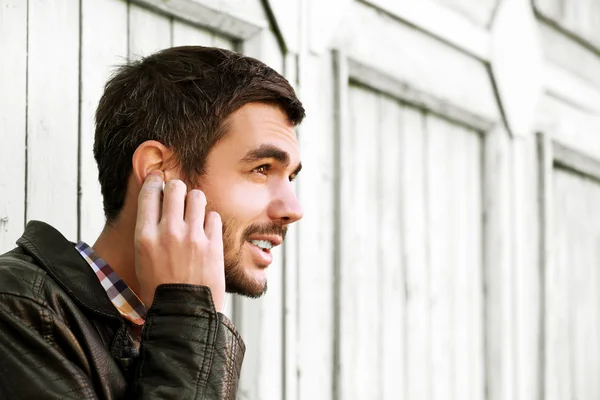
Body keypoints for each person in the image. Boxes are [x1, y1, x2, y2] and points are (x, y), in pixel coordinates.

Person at [0, 46, 305, 399]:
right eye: (262, 168)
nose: (293, 208)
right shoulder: (17, 312)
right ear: (159, 171)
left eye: (290, 177)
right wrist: (187, 313)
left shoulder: (166, 332)